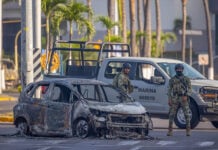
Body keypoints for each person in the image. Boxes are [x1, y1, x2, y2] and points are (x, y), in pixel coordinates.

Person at [167, 63, 192, 136]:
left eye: (180, 69)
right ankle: (170, 131)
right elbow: (169, 90)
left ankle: (188, 130)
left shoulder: (186, 79)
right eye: (178, 69)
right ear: (175, 70)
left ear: (182, 70)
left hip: (183, 97)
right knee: (171, 114)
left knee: (187, 114)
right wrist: (169, 99)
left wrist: (186, 95)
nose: (179, 70)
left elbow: (190, 88)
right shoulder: (172, 79)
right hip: (175, 97)